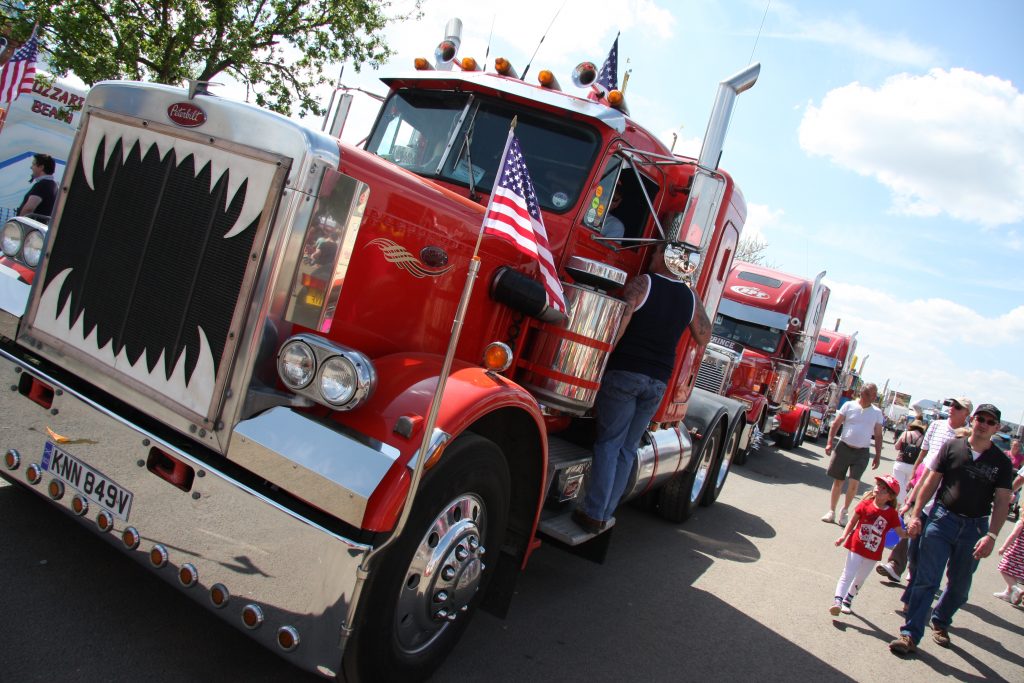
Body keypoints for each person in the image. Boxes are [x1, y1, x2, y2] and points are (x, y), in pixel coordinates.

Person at [573, 243, 712, 533]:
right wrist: (692, 291)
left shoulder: (643, 283)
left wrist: (600, 357)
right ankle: (605, 513)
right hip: (657, 382)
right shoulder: (689, 297)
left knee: (609, 443)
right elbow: (704, 335)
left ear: (665, 258)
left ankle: (593, 513)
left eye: (655, 253)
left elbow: (621, 322)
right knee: (626, 448)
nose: (650, 257)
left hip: (626, 373)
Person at [888, 404, 1014, 655]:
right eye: (980, 418)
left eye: (990, 422)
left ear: (996, 428)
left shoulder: (1001, 462)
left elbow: (1002, 501)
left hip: (975, 528)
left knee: (958, 587)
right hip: (942, 519)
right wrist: (916, 514)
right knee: (927, 580)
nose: (983, 424)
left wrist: (991, 536)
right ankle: (910, 635)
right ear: (973, 420)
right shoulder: (952, 447)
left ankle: (941, 620)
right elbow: (931, 481)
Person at [875, 398, 972, 584]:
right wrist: (914, 476)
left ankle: (916, 570)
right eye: (951, 405)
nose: (952, 409)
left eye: (958, 407)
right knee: (909, 522)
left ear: (966, 413)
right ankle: (895, 565)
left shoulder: (967, 436)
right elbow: (923, 453)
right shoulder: (936, 425)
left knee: (928, 535)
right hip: (922, 483)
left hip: (944, 493)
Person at [830, 475, 907, 616]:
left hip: (873, 551)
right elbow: (852, 522)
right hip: (856, 545)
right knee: (848, 573)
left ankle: (848, 599)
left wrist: (910, 533)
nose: (879, 489)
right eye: (878, 485)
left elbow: (900, 533)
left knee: (860, 578)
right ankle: (838, 601)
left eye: (884, 489)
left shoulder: (891, 514)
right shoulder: (864, 505)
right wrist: (843, 536)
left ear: (890, 497)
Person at [822, 383, 884, 526]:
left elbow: (878, 435)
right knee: (838, 481)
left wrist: (878, 455)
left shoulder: (877, 412)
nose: (874, 397)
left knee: (854, 484)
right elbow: (836, 424)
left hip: (862, 452)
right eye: (871, 394)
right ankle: (831, 511)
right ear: (863, 394)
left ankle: (844, 511)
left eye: (875, 394)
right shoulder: (849, 405)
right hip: (843, 447)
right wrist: (829, 442)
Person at [993, 515, 1024, 605]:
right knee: (1014, 572)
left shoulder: (1021, 523)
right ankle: (1008, 593)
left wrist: (1003, 547)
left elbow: (1013, 535)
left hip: (1016, 552)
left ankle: (1016, 589)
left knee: (1004, 569)